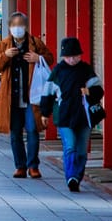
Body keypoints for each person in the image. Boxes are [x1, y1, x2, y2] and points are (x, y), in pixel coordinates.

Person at [0, 11, 53, 178]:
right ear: (9, 27)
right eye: (14, 25)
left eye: (20, 25)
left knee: (33, 130)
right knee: (15, 132)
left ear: (25, 27)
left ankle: (33, 165)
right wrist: (5, 56)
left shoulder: (35, 43)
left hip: (31, 96)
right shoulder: (4, 45)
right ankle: (20, 166)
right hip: (11, 98)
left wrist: (38, 57)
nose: (17, 28)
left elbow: (50, 58)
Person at [45, 37, 105, 192]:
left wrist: (89, 92)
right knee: (70, 146)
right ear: (63, 56)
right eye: (69, 56)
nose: (72, 59)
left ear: (80, 55)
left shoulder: (86, 70)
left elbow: (99, 90)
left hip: (84, 117)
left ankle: (77, 177)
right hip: (64, 116)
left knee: (82, 150)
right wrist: (45, 113)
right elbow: (48, 94)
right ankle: (71, 176)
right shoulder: (57, 71)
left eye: (75, 56)